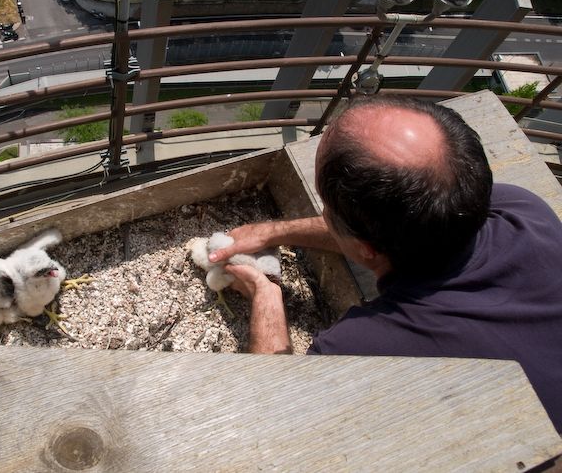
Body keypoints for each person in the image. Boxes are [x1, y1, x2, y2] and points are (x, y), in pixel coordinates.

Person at [208, 95, 562, 432]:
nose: (323, 213)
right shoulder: (521, 210)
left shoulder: (366, 348)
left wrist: (264, 295)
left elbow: (272, 407)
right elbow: (379, 235)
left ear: (366, 250)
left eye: (326, 209)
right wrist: (275, 231)